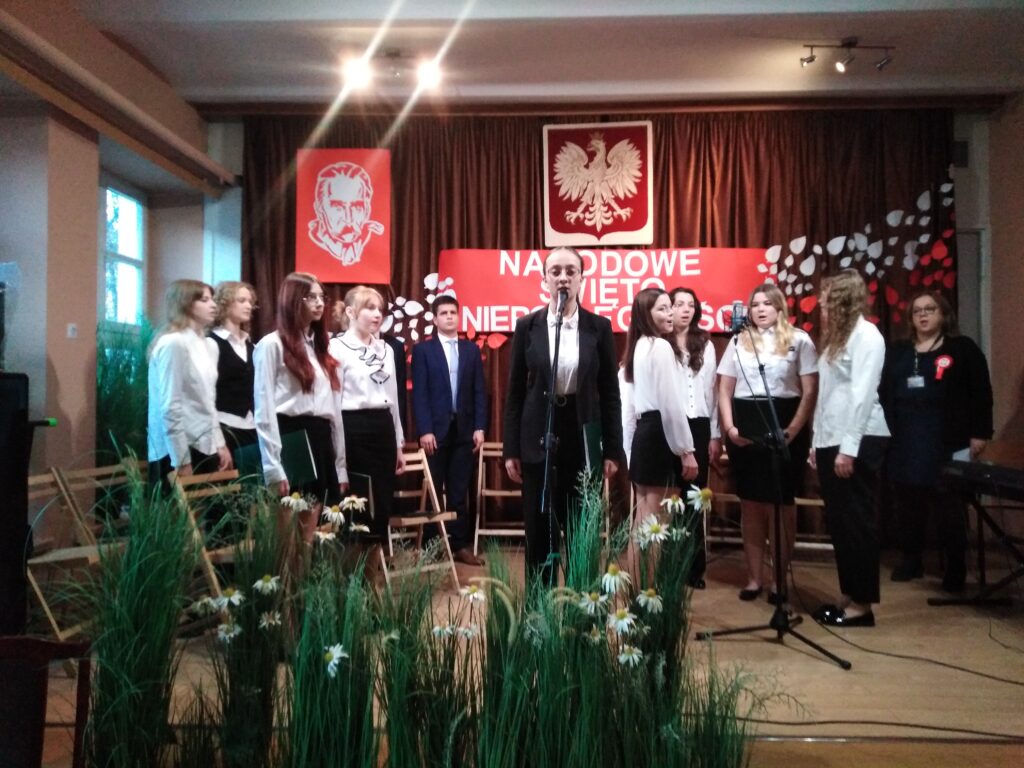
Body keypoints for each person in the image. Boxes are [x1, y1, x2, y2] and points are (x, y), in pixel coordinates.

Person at [503, 246, 625, 584]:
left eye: (571, 271)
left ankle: (581, 604)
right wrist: (511, 448)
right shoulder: (527, 326)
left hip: (581, 431)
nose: (563, 278)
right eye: (555, 271)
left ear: (581, 279)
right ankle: (539, 606)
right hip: (538, 431)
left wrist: (612, 449)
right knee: (539, 527)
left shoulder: (599, 327)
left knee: (580, 526)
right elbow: (514, 393)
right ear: (544, 280)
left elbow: (610, 394)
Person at [881, 289, 993, 592]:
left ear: (943, 314)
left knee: (949, 505)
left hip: (947, 437)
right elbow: (884, 390)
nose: (923, 315)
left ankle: (956, 567)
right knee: (907, 502)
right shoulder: (899, 350)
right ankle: (911, 559)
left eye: (929, 309)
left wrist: (980, 433)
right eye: (917, 311)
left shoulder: (962, 349)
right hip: (905, 437)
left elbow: (981, 393)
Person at [717, 282, 817, 603]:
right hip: (745, 426)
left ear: (779, 307)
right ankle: (754, 578)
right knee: (750, 503)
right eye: (755, 304)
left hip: (786, 424)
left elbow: (810, 391)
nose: (760, 309)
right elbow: (724, 390)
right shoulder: (738, 341)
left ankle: (779, 580)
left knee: (780, 504)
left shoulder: (800, 340)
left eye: (767, 303)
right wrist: (730, 428)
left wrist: (793, 429)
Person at [811, 269, 890, 627]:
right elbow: (827, 395)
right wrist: (817, 441)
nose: (821, 304)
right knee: (841, 522)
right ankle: (848, 594)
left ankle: (863, 605)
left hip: (859, 437)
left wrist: (849, 448)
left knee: (858, 521)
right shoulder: (835, 339)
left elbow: (862, 394)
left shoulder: (867, 336)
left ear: (843, 300)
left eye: (827, 299)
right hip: (832, 437)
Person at [254, 272, 346, 541]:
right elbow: (264, 406)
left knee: (310, 532)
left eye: (321, 297)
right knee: (286, 532)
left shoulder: (321, 347)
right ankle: (285, 572)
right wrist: (273, 464)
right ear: (293, 300)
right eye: (311, 297)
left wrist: (339, 460)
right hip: (291, 437)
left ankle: (303, 571)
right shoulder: (271, 345)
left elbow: (332, 409)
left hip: (319, 437)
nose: (319, 303)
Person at [411, 295, 488, 565]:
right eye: (443, 313)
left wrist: (480, 426)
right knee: (435, 491)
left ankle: (459, 545)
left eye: (453, 312)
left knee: (459, 491)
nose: (449, 317)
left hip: (464, 431)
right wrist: (425, 429)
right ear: (435, 319)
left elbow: (479, 391)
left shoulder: (470, 350)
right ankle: (434, 546)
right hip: (435, 432)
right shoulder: (423, 351)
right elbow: (419, 394)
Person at [330, 286, 406, 539]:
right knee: (358, 503)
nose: (377, 314)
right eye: (369, 308)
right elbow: (334, 402)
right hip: (354, 428)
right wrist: (339, 460)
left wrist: (398, 444)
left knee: (382, 503)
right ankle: (356, 561)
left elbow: (393, 399)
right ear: (351, 312)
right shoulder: (337, 347)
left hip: (383, 428)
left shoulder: (387, 350)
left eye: (379, 309)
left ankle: (376, 559)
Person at [620, 288, 698, 529]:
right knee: (656, 526)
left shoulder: (638, 346)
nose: (670, 313)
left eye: (669, 307)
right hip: (659, 436)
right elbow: (670, 404)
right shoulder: (660, 346)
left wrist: (629, 449)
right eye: (662, 309)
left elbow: (629, 410)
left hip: (644, 435)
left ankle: (633, 559)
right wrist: (685, 450)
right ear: (646, 314)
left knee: (642, 523)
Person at [148, 279, 232, 488]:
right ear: (185, 304)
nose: (213, 305)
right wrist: (181, 458)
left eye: (212, 299)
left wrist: (219, 443)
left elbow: (208, 402)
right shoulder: (174, 342)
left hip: (204, 443)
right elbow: (170, 405)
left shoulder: (210, 345)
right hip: (175, 448)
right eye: (204, 300)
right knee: (180, 508)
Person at [670, 286, 722, 588]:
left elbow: (711, 392)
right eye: (679, 304)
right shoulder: (660, 342)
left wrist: (715, 433)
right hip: (668, 424)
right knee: (669, 498)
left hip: (699, 424)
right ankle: (667, 565)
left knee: (693, 497)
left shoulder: (705, 343)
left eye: (690, 304)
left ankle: (693, 567)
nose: (685, 309)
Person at [207, 281, 257, 454]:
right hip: (224, 427)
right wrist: (217, 440)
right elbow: (206, 394)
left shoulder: (251, 346)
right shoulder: (212, 342)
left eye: (250, 301)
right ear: (225, 304)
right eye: (242, 301)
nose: (248, 306)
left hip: (251, 426)